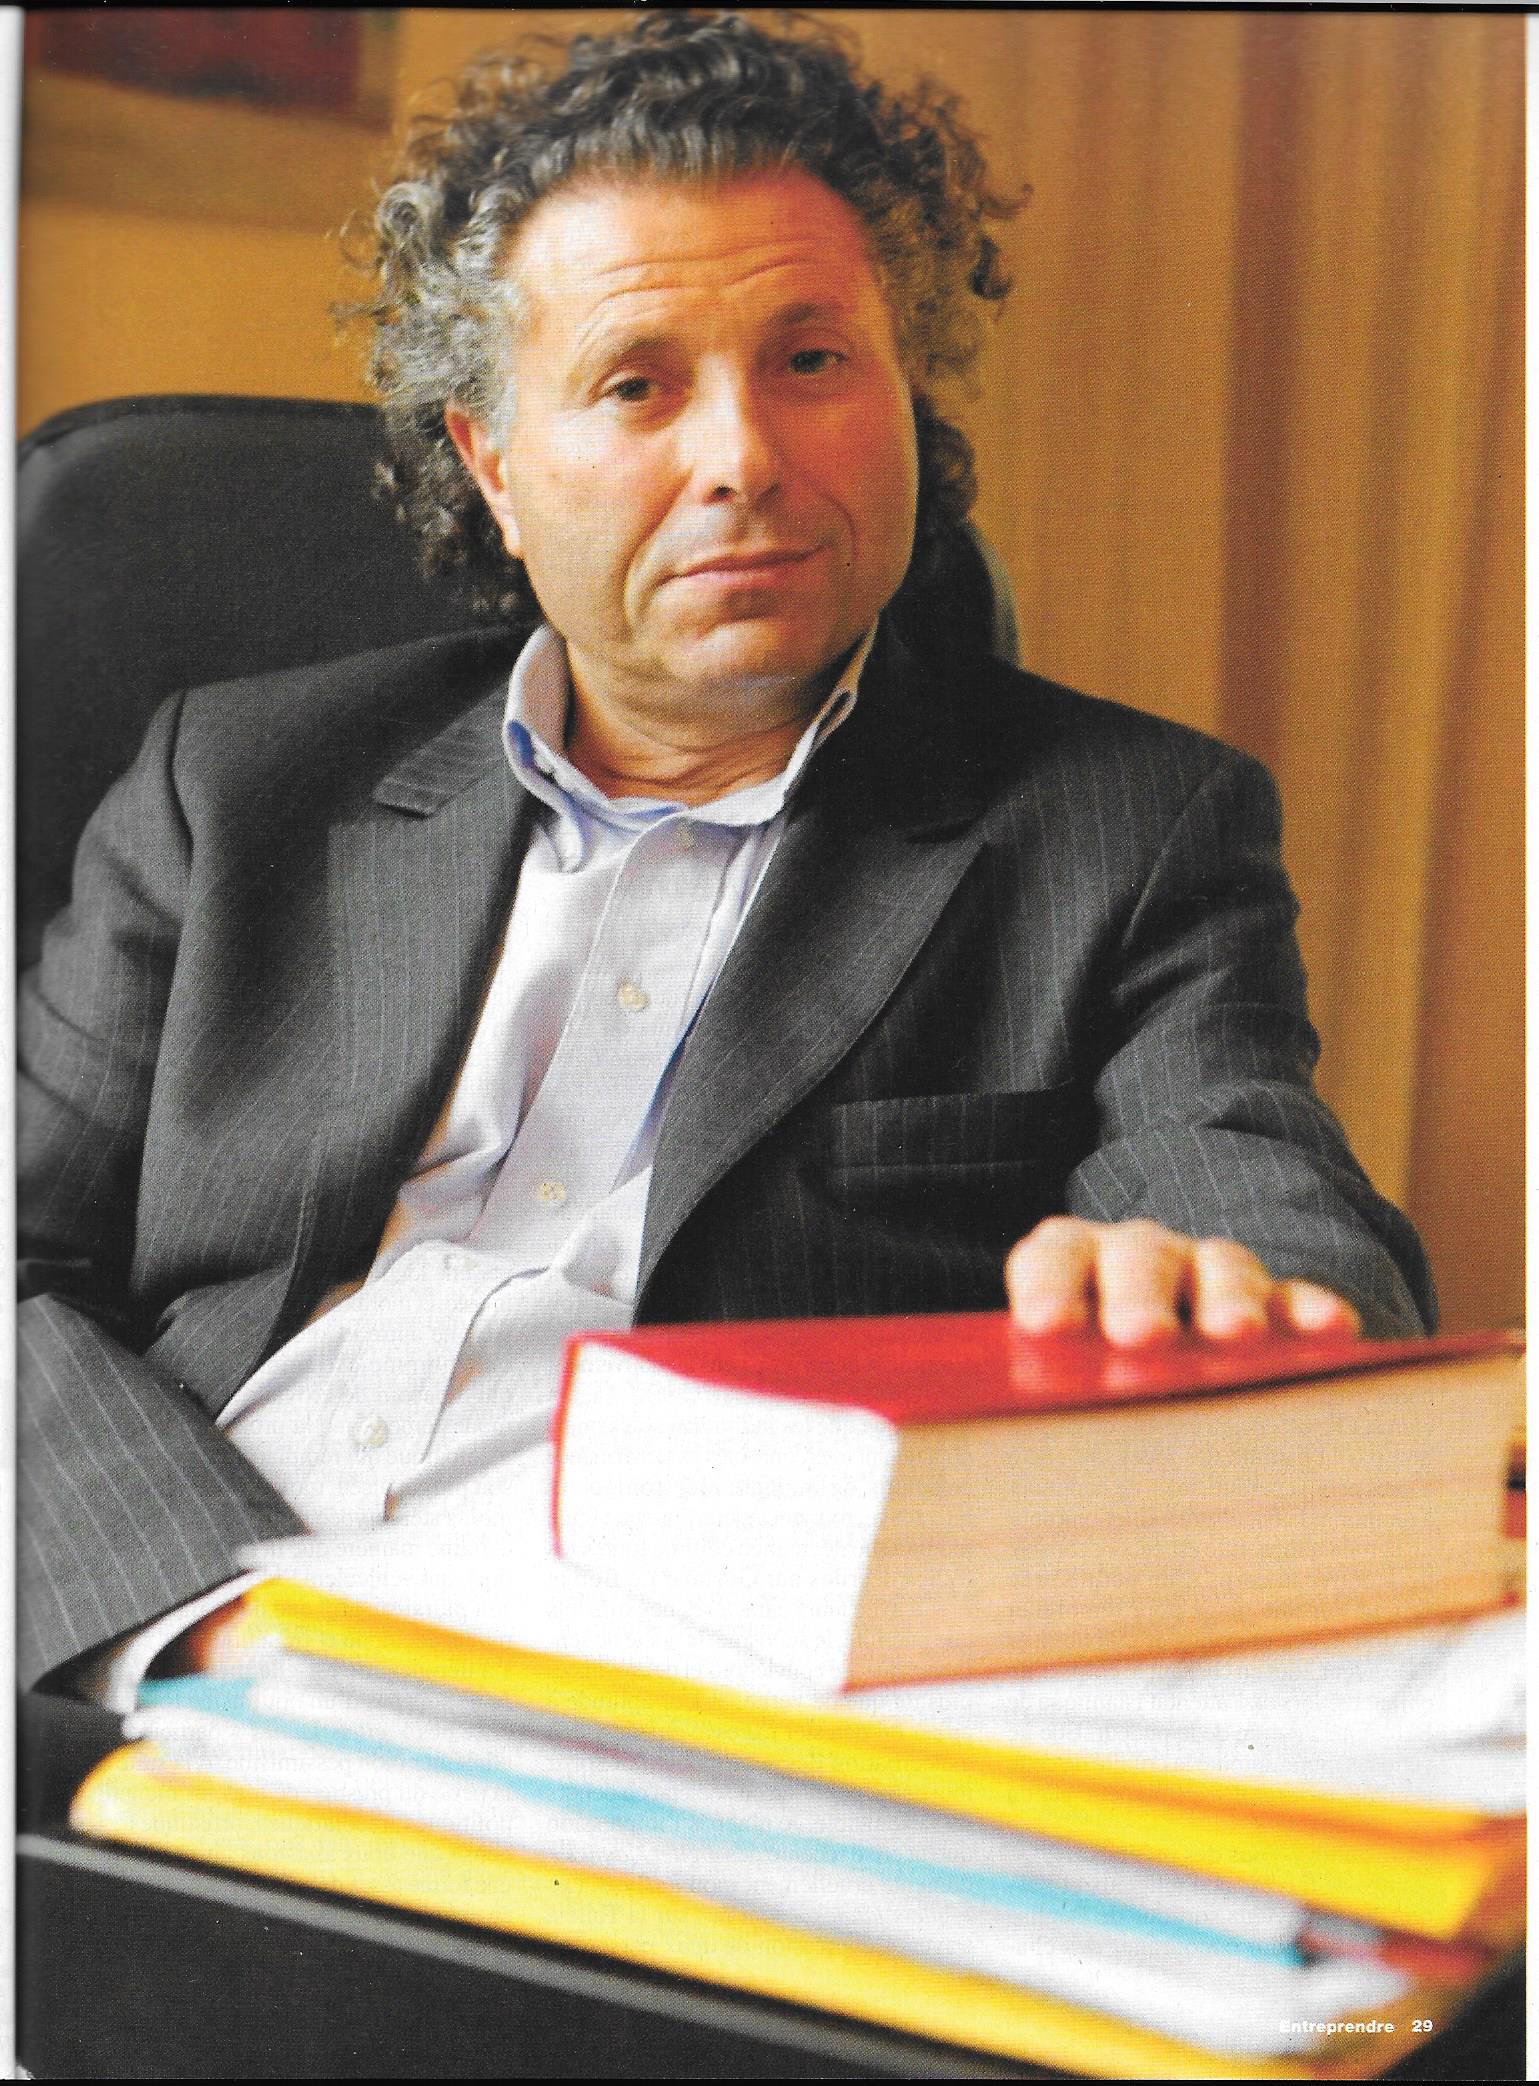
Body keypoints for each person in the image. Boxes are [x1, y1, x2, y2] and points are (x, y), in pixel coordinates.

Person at [17, 11, 1431, 1698]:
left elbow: (1252, 1189)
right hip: (164, 1650)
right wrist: (213, 1632)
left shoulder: (1123, 830)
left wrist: (1231, 1299)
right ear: (495, 463)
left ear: (907, 395)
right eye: (637, 385)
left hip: (687, 1695)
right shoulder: (237, 786)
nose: (744, 459)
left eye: (812, 361)